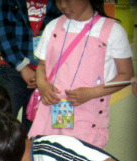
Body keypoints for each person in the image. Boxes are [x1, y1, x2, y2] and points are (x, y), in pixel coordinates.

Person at [27, 0, 133, 149]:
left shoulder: (112, 30)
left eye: (68, 0)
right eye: (58, 1)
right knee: (47, 158)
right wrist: (43, 85)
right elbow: (42, 65)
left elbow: (126, 75)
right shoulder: (53, 27)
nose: (63, 6)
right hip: (53, 110)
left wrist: (92, 92)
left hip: (89, 116)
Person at [0, 0, 60, 132]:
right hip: (13, 69)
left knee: (36, 127)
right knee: (3, 124)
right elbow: (3, 34)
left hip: (46, 73)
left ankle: (30, 152)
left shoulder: (57, 3)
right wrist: (22, 67)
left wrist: (43, 74)